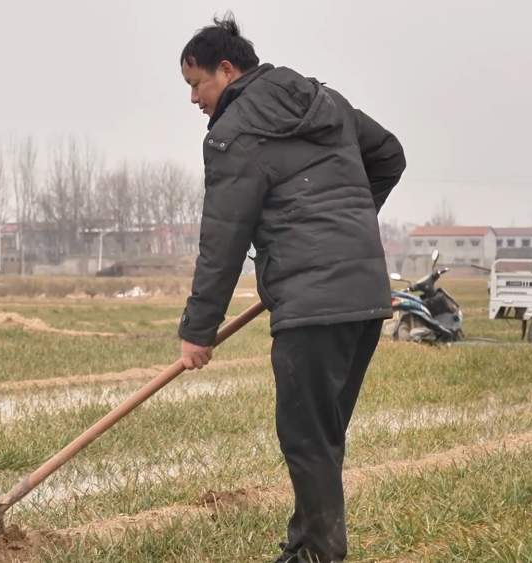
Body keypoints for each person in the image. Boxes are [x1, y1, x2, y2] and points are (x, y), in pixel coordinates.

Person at [176, 12, 407, 563]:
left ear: (226, 71)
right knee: (321, 438)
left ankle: (320, 555)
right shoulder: (326, 103)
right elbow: (390, 154)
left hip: (315, 308)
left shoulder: (233, 137)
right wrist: (343, 232)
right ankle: (304, 545)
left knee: (308, 441)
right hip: (365, 298)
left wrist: (197, 330)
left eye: (195, 84)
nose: (193, 100)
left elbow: (223, 243)